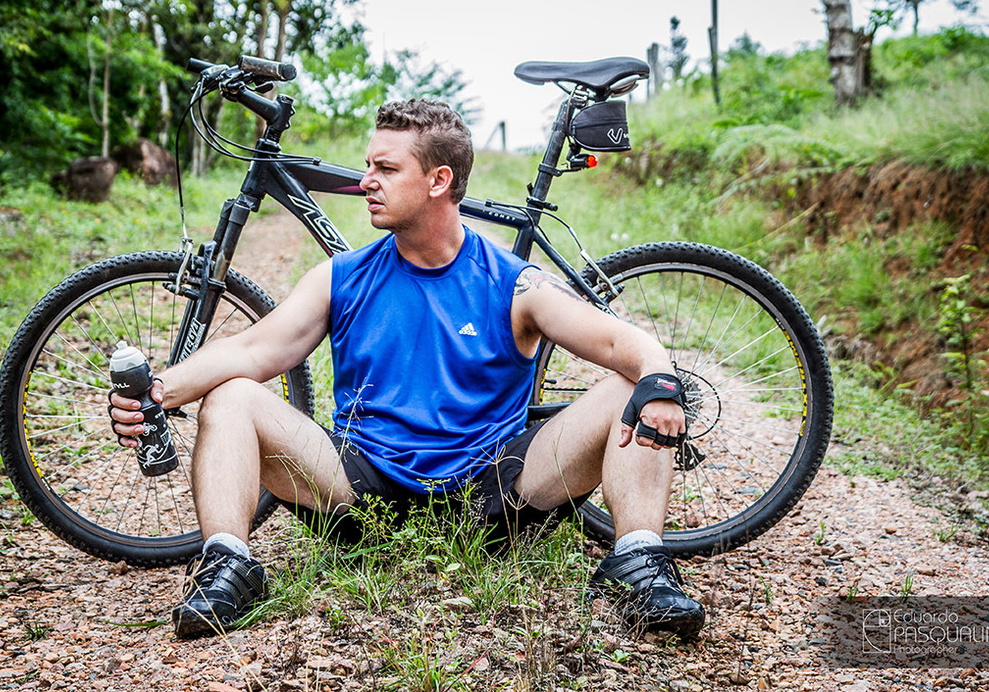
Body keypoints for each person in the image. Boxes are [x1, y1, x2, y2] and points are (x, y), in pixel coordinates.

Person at [109, 100, 705, 639]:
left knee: (637, 382)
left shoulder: (514, 284)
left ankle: (640, 567)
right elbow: (254, 351)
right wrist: (160, 392)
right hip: (360, 493)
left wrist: (659, 382)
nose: (365, 181)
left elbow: (626, 342)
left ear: (438, 181)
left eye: (386, 169)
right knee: (232, 395)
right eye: (368, 165)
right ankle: (227, 570)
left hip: (494, 497)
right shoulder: (341, 276)